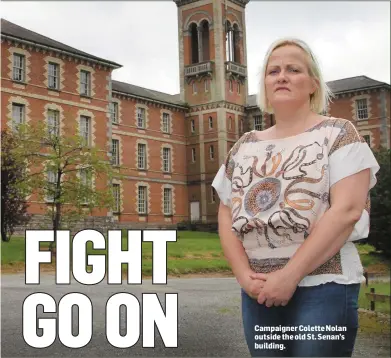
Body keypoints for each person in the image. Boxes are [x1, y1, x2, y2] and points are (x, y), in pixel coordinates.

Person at [211, 37, 380, 357]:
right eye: (273, 71)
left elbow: (347, 210)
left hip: (325, 287)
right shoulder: (244, 144)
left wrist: (289, 276)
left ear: (313, 83)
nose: (282, 76)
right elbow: (226, 212)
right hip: (258, 292)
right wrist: (244, 277)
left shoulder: (340, 133)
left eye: (293, 69)